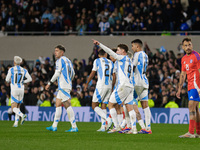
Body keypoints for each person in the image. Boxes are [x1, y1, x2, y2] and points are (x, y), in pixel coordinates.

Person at [93, 39, 137, 134]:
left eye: (118, 50)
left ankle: (117, 126)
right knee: (130, 107)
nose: (116, 52)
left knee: (110, 104)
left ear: (123, 52)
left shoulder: (122, 58)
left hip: (123, 85)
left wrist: (99, 44)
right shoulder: (129, 60)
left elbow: (110, 52)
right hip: (130, 86)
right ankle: (134, 129)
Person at [45, 45, 78, 132]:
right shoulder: (68, 60)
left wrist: (49, 83)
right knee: (58, 104)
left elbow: (57, 73)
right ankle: (54, 126)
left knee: (67, 104)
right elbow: (73, 73)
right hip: (65, 85)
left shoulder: (59, 60)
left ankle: (74, 126)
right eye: (55, 50)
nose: (55, 52)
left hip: (63, 85)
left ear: (62, 52)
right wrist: (69, 80)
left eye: (57, 51)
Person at [176, 37, 200, 138]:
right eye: (186, 45)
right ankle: (198, 132)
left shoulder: (196, 56)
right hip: (190, 85)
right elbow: (182, 74)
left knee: (191, 106)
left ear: (192, 45)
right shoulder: (184, 59)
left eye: (189, 44)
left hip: (196, 85)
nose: (188, 47)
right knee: (196, 108)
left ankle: (190, 132)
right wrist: (179, 89)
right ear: (183, 47)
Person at [85, 49, 113, 132]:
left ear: (100, 55)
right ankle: (103, 126)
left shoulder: (97, 61)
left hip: (101, 85)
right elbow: (113, 75)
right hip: (109, 85)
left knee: (94, 106)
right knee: (103, 105)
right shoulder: (111, 62)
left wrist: (87, 83)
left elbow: (93, 73)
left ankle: (108, 119)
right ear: (105, 54)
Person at [131, 39, 152, 134]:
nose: (132, 48)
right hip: (144, 82)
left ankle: (139, 126)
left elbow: (132, 67)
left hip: (136, 82)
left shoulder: (137, 54)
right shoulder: (145, 55)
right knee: (145, 105)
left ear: (137, 46)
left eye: (132, 46)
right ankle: (148, 128)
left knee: (131, 104)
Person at [5, 56, 32, 127]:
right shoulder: (24, 70)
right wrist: (23, 81)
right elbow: (30, 79)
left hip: (14, 88)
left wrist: (12, 80)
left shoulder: (11, 69)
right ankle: (16, 123)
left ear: (14, 62)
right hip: (21, 89)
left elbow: (7, 80)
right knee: (18, 106)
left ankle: (22, 115)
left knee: (13, 107)